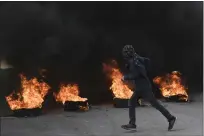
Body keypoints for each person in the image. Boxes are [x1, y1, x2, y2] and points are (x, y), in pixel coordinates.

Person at [121, 45, 176, 131]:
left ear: (128, 53)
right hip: (141, 87)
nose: (125, 55)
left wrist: (126, 77)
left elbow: (137, 74)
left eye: (125, 53)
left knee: (154, 104)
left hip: (143, 87)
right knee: (133, 101)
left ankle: (171, 118)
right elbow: (146, 61)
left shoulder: (135, 61)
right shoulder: (136, 59)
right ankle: (132, 123)